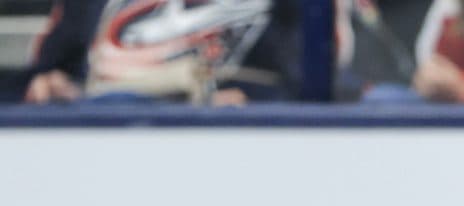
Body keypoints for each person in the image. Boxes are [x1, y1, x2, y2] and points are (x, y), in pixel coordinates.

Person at [21, 0, 299, 105]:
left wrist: (252, 102)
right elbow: (41, 77)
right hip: (106, 140)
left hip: (223, 150)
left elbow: (317, 88)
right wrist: (50, 85)